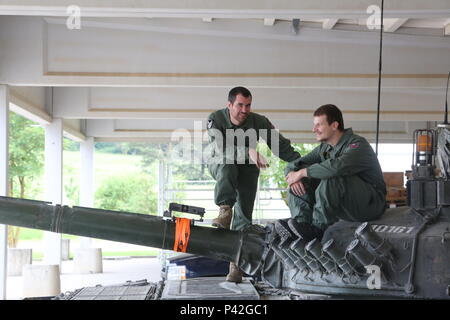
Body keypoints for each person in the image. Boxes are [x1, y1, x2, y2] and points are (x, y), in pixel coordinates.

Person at [206, 86, 301, 282]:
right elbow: (222, 149)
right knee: (228, 165)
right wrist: (249, 150)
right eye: (240, 105)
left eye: (248, 105)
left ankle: (236, 266)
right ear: (229, 105)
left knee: (244, 217)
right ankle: (225, 210)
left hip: (248, 169)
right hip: (220, 162)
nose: (244, 110)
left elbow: (281, 147)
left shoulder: (259, 121)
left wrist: (301, 167)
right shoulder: (216, 119)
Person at [285, 104, 386, 237]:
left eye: (319, 125)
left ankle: (318, 229)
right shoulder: (324, 148)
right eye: (314, 125)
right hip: (346, 202)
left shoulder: (358, 144)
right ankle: (302, 225)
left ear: (334, 125)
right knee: (299, 180)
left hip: (370, 204)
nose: (314, 129)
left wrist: (301, 172)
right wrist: (292, 175)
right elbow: (295, 164)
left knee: (333, 175)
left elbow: (336, 167)